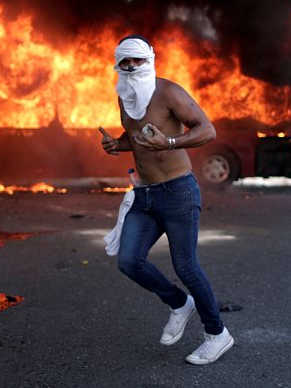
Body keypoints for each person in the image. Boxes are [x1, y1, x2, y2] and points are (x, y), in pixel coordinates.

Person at [99, 34, 234, 365]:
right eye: (125, 61)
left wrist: (171, 142)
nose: (131, 66)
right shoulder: (124, 96)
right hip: (144, 194)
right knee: (129, 261)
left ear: (150, 60)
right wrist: (118, 145)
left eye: (137, 60)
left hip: (177, 191)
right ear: (118, 64)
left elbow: (207, 130)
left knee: (186, 266)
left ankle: (218, 335)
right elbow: (138, 137)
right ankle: (179, 303)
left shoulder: (168, 92)